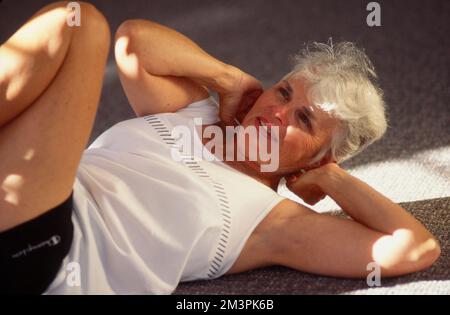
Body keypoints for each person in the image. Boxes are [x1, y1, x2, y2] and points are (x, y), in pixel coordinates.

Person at [0, 2, 440, 294]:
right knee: (75, 24)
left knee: (79, 25)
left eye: (303, 120)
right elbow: (134, 42)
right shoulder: (199, 116)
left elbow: (416, 248)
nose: (278, 113)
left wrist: (330, 177)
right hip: (30, 191)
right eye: (284, 93)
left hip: (48, 250)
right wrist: (227, 78)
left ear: (319, 155)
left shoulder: (273, 224)